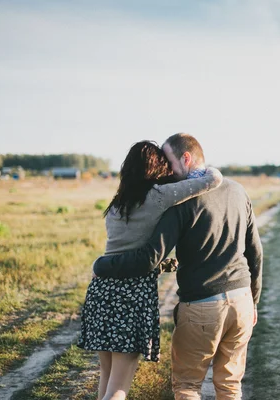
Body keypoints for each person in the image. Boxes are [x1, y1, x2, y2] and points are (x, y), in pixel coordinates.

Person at [93, 133, 263, 400]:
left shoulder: (181, 203)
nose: (168, 173)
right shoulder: (239, 190)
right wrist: (253, 300)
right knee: (230, 385)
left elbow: (150, 256)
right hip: (241, 300)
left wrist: (103, 265)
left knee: (187, 386)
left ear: (185, 158)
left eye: (170, 163)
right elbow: (255, 252)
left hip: (202, 305)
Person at [77, 140, 223, 400]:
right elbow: (211, 181)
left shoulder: (117, 203)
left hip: (100, 291)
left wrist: (163, 264)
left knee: (106, 379)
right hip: (130, 295)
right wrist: (209, 169)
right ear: (156, 168)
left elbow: (125, 246)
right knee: (119, 388)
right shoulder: (157, 196)